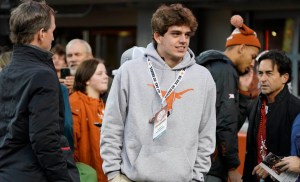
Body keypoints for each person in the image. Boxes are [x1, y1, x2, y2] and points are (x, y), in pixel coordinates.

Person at [100, 3, 216, 182]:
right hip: (132, 177)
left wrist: (197, 176)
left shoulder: (203, 77)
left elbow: (206, 133)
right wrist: (113, 173)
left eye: (187, 34)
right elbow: (112, 125)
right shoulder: (129, 72)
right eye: (176, 34)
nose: (183, 40)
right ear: (158, 36)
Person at [0, 1, 79, 181]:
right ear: (41, 34)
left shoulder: (6, 72)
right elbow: (45, 139)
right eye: (52, 30)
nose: (53, 37)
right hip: (32, 173)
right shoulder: (42, 75)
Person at [195, 15, 261, 182]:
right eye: (252, 56)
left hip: (198, 161)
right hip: (209, 165)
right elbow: (225, 124)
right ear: (242, 48)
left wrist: (244, 95)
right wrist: (232, 166)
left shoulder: (211, 67)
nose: (252, 63)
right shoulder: (224, 70)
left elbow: (227, 119)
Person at [243, 50, 300, 181]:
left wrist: (271, 166)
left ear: (284, 78)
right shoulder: (253, 106)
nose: (262, 79)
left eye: (269, 73)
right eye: (260, 73)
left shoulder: (296, 108)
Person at [70, 58, 109, 182]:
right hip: (86, 175)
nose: (106, 77)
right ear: (86, 79)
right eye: (99, 73)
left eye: (105, 73)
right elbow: (71, 145)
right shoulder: (75, 103)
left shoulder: (105, 105)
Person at [51, 43, 75, 151]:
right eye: (54, 57)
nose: (57, 60)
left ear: (65, 61)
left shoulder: (72, 80)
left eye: (60, 58)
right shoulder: (46, 78)